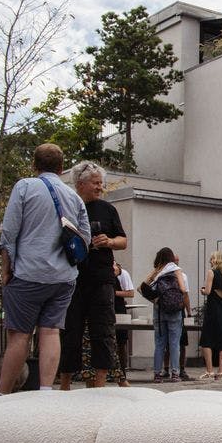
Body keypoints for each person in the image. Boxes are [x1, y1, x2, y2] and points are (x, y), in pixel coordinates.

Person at [0, 144, 90, 394]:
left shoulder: (25, 187)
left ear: (34, 165)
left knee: (20, 336)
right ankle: (46, 391)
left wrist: (6, 268)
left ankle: (1, 394)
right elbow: (85, 239)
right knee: (50, 332)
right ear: (61, 168)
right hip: (63, 277)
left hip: (28, 272)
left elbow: (9, 231)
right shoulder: (74, 197)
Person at [58, 161, 127, 391]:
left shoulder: (108, 210)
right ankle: (65, 384)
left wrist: (109, 241)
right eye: (96, 183)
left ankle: (99, 386)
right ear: (80, 184)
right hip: (73, 278)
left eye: (101, 183)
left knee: (104, 331)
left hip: (101, 278)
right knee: (70, 332)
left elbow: (123, 241)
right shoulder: (68, 207)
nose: (100, 187)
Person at [144, 247, 189, 382]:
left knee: (159, 343)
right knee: (174, 343)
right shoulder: (177, 270)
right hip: (175, 311)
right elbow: (183, 289)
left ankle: (157, 374)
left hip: (159, 310)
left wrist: (156, 298)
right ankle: (175, 373)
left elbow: (142, 287)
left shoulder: (158, 272)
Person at [197, 250, 222, 380]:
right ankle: (220, 372)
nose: (210, 261)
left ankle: (210, 371)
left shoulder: (211, 272)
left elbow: (207, 291)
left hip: (213, 310)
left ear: (216, 260)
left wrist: (202, 290)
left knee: (207, 340)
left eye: (212, 258)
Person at [112, 261, 134, 384]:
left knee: (121, 341)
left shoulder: (123, 274)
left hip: (119, 308)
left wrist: (113, 292)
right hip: (105, 307)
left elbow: (130, 293)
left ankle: (122, 372)